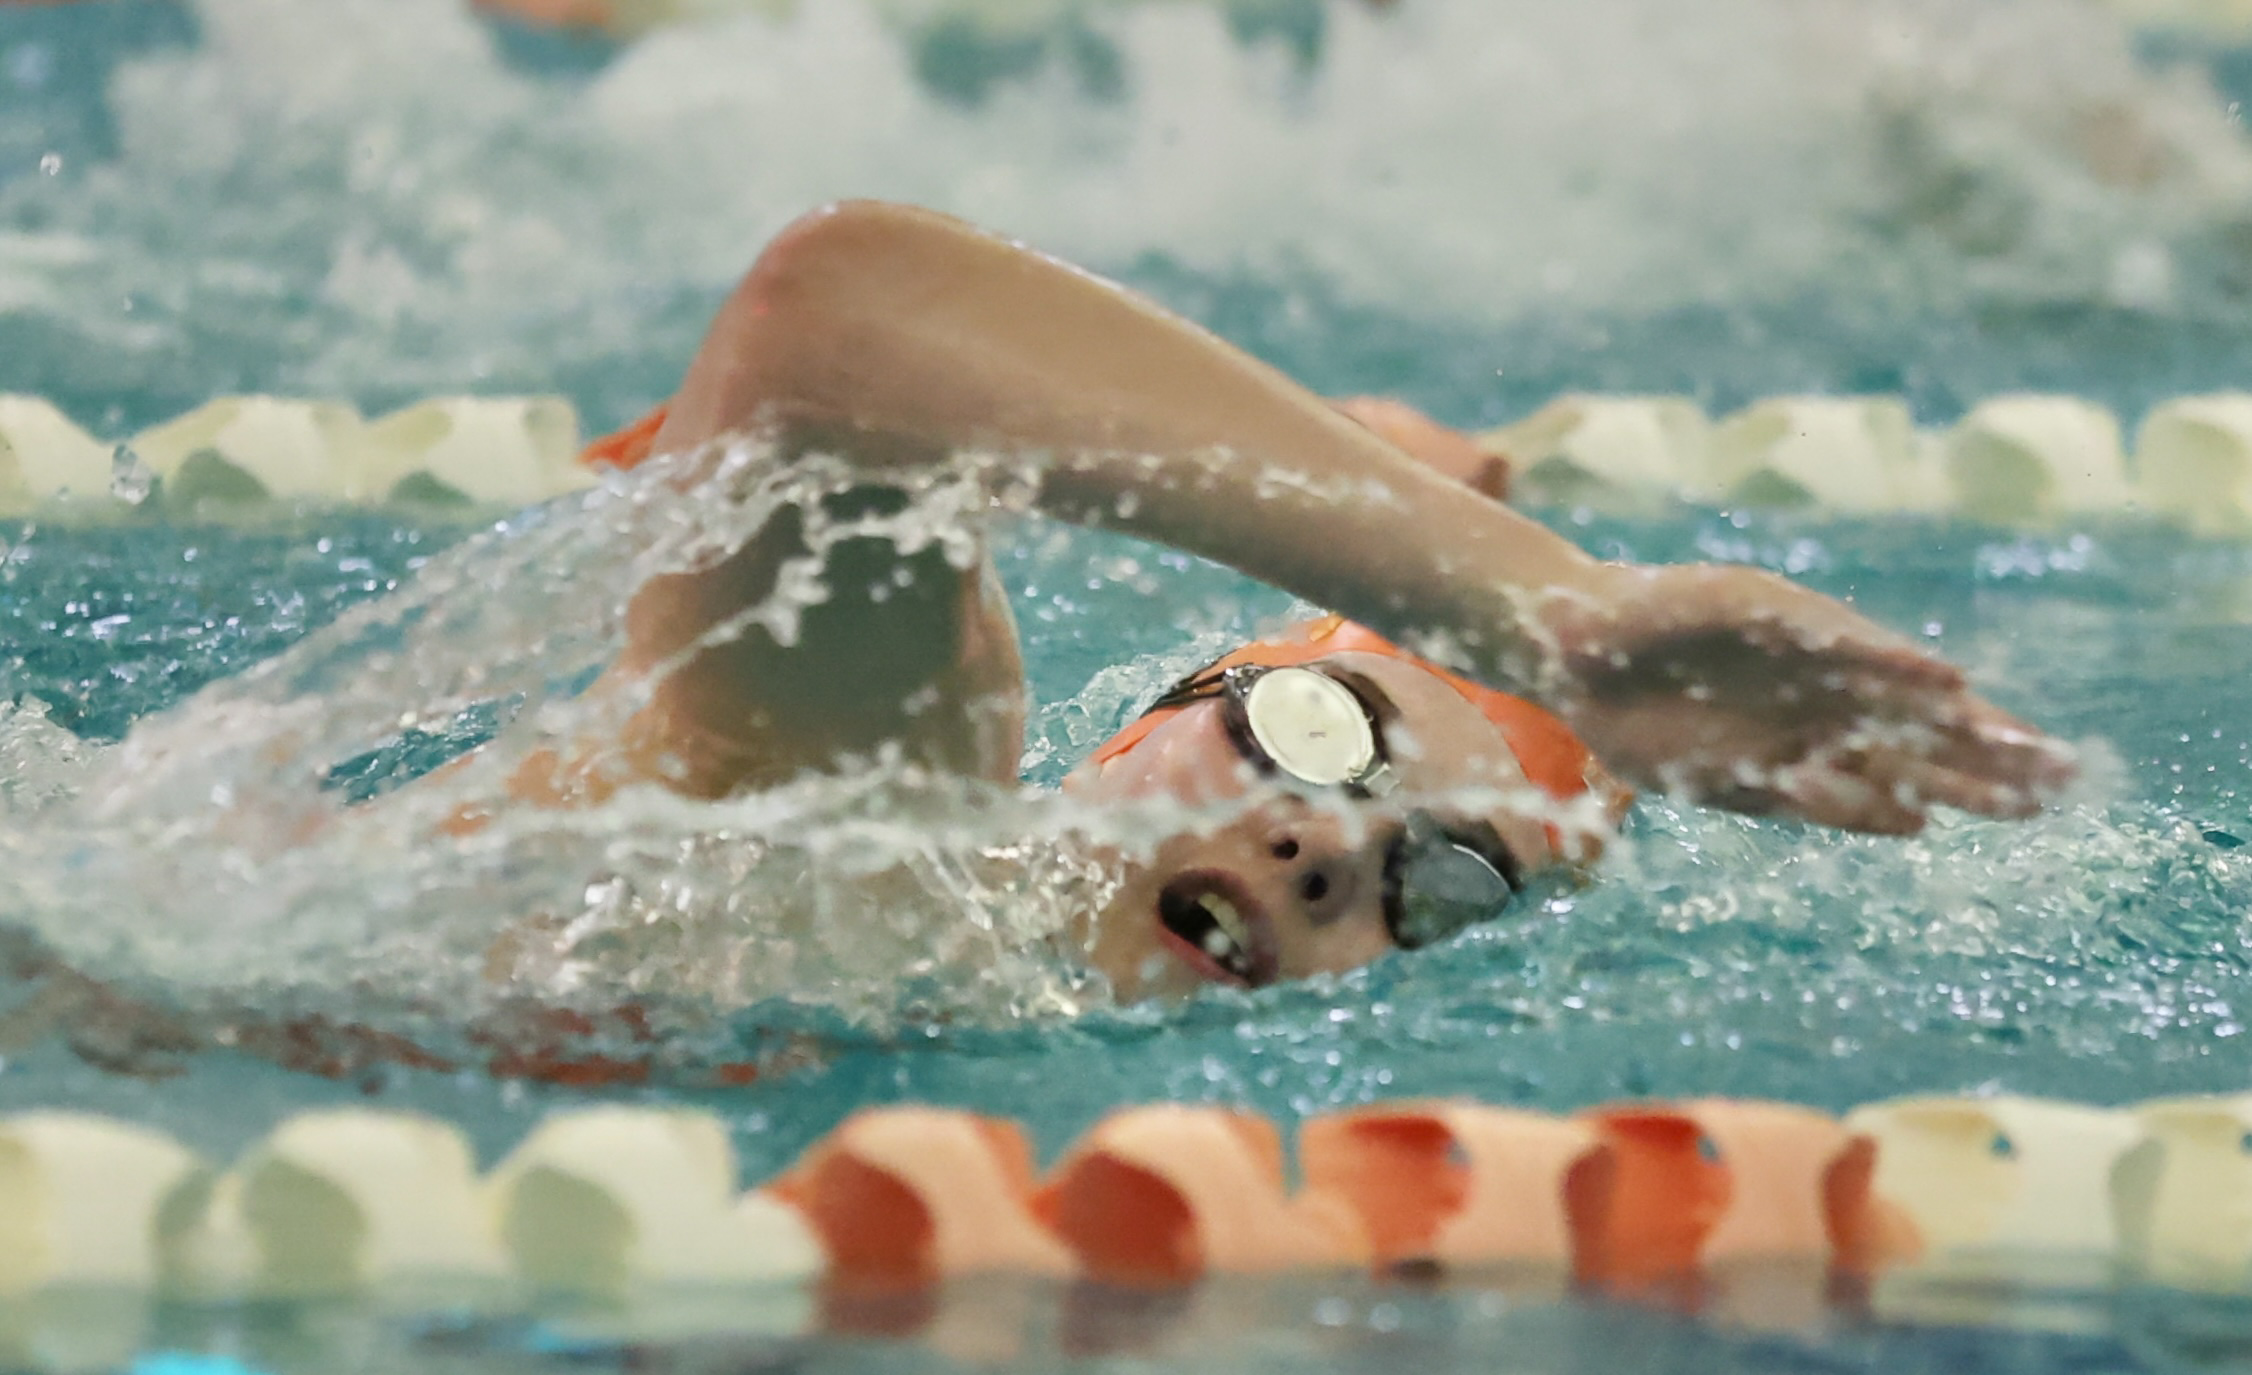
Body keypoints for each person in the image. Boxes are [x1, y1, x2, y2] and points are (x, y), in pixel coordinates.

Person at [440, 198, 2074, 1007]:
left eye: (1443, 886)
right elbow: (829, 310)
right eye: (1322, 734)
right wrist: (1554, 620)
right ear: (1157, 711)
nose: (1331, 845)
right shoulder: (876, 790)